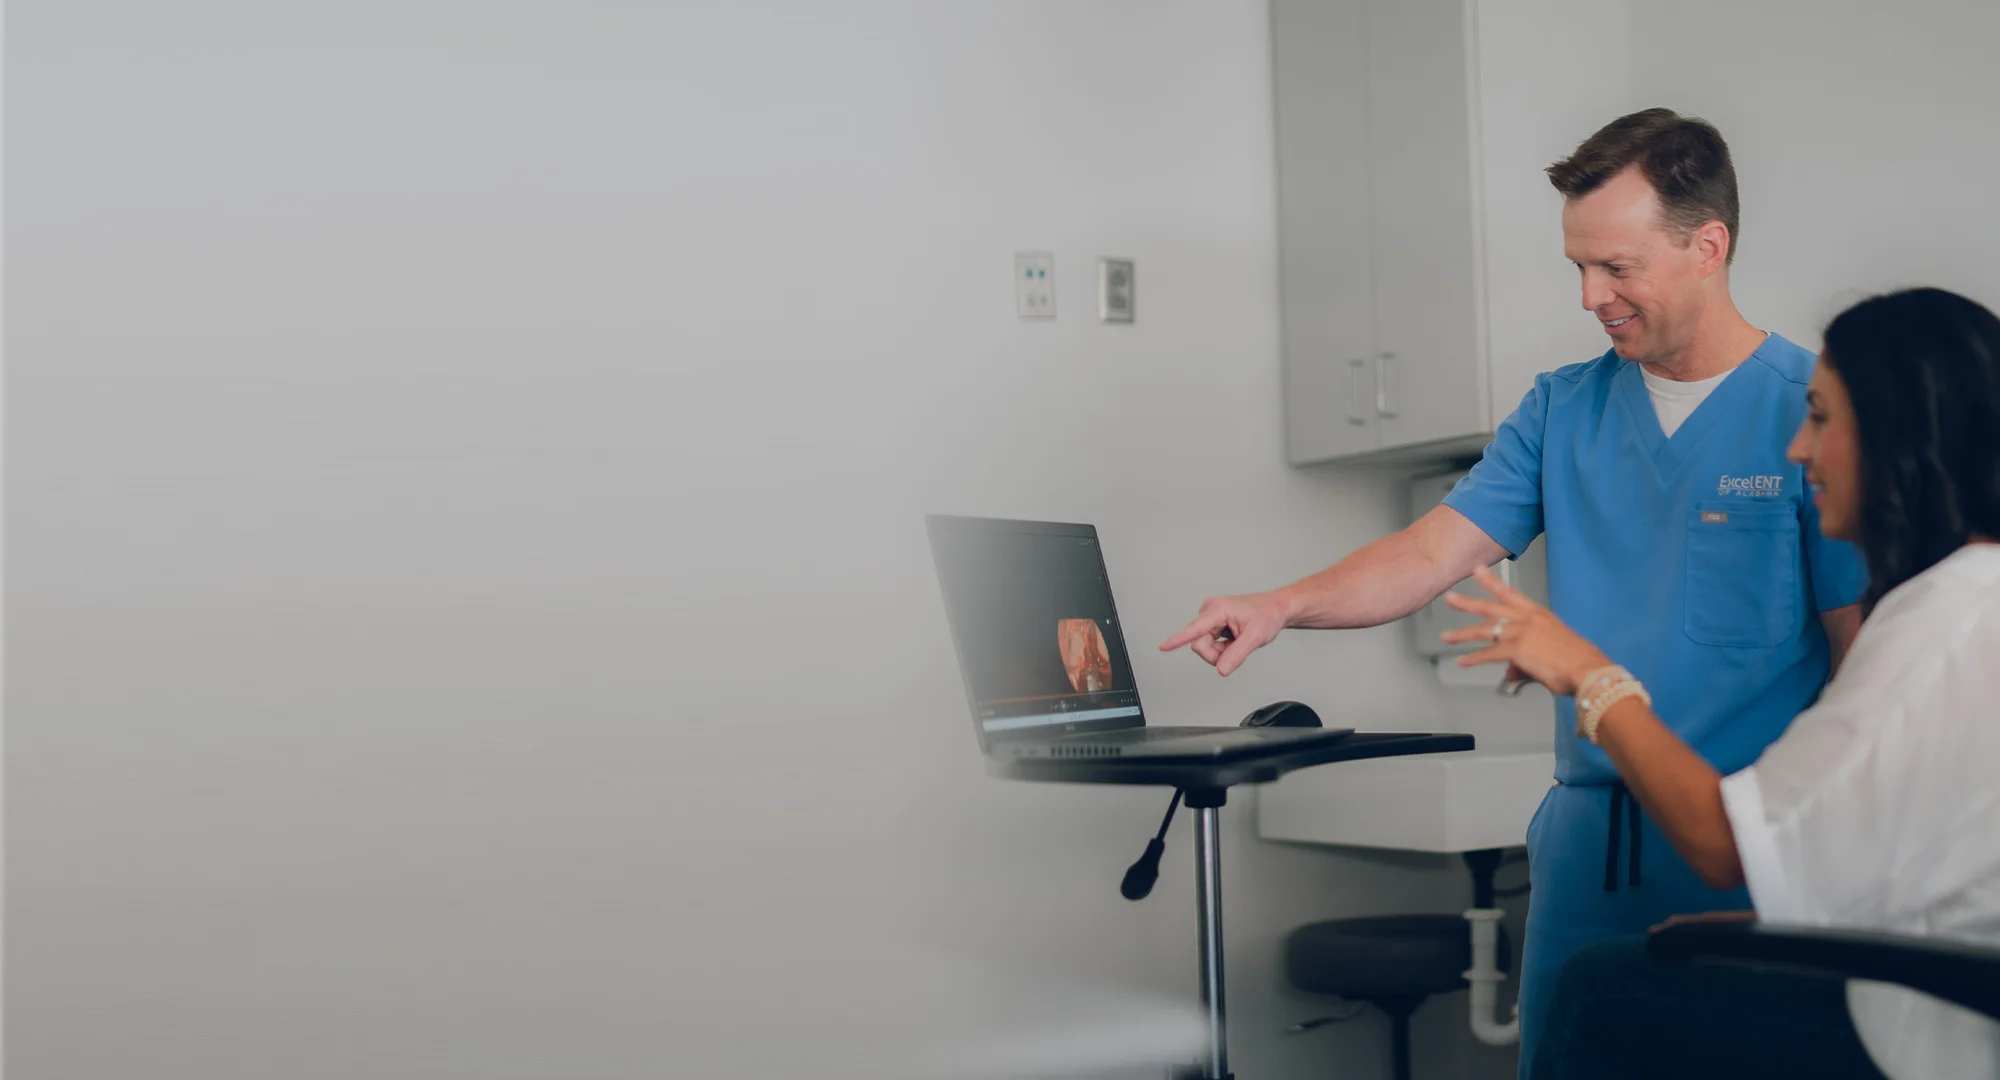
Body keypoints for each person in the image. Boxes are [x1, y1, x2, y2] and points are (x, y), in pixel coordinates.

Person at [1158, 107, 1869, 1068]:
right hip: (1585, 854)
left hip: (1750, 850)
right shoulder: (1562, 407)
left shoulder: (1811, 411)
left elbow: (1860, 662)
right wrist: (1280, 606)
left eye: (1616, 267)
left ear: (1708, 247)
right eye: (1578, 267)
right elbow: (1429, 552)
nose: (1591, 296)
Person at [1442, 286, 2000, 1079]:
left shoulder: (1942, 622)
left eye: (1821, 418)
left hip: (1933, 1030)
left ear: (1900, 434)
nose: (1798, 449)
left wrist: (1588, 673)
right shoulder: (1975, 600)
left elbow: (1721, 844)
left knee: (1597, 991)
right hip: (1933, 973)